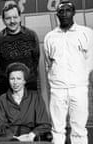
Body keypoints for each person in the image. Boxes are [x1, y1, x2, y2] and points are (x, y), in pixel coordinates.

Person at [44, 1, 93, 144]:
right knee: (57, 129)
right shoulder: (50, 37)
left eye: (68, 10)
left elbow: (90, 60)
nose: (64, 14)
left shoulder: (87, 33)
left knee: (79, 129)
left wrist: (80, 77)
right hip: (57, 89)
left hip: (79, 88)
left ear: (74, 12)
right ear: (57, 14)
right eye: (61, 11)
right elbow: (49, 63)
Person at [0, 62, 51, 142]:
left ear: (24, 81)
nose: (15, 82)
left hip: (30, 136)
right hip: (9, 138)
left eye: (19, 79)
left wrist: (32, 135)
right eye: (12, 79)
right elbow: (1, 126)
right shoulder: (2, 100)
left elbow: (44, 124)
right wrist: (14, 138)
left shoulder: (36, 98)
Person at [0, 4, 40, 95]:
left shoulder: (31, 36)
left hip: (29, 88)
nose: (12, 21)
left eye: (15, 17)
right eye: (8, 18)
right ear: (3, 20)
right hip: (6, 89)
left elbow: (35, 60)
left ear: (20, 18)